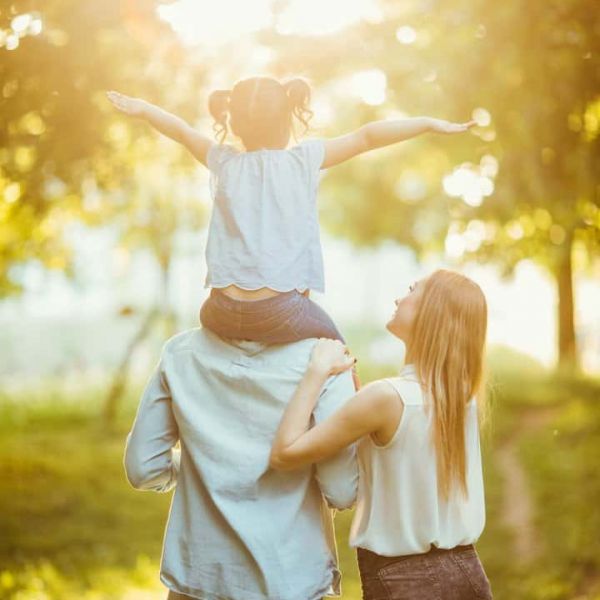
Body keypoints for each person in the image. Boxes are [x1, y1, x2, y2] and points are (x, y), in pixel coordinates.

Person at [106, 77, 475, 359]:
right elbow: (367, 137)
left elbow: (182, 131)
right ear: (288, 116)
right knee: (339, 357)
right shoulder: (303, 160)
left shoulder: (223, 161)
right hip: (279, 314)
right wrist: (427, 122)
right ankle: (354, 435)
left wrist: (143, 109)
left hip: (217, 311)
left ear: (234, 125)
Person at [270, 269, 493, 600]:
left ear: (432, 312)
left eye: (411, 289)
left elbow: (284, 453)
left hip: (406, 581)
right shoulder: (461, 397)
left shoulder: (387, 399)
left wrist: (317, 371)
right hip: (466, 573)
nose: (399, 297)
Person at [123, 327, 358, 600]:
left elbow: (143, 468)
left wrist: (204, 465)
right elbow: (341, 491)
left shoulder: (180, 352)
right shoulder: (325, 360)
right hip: (290, 578)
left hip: (198, 577)